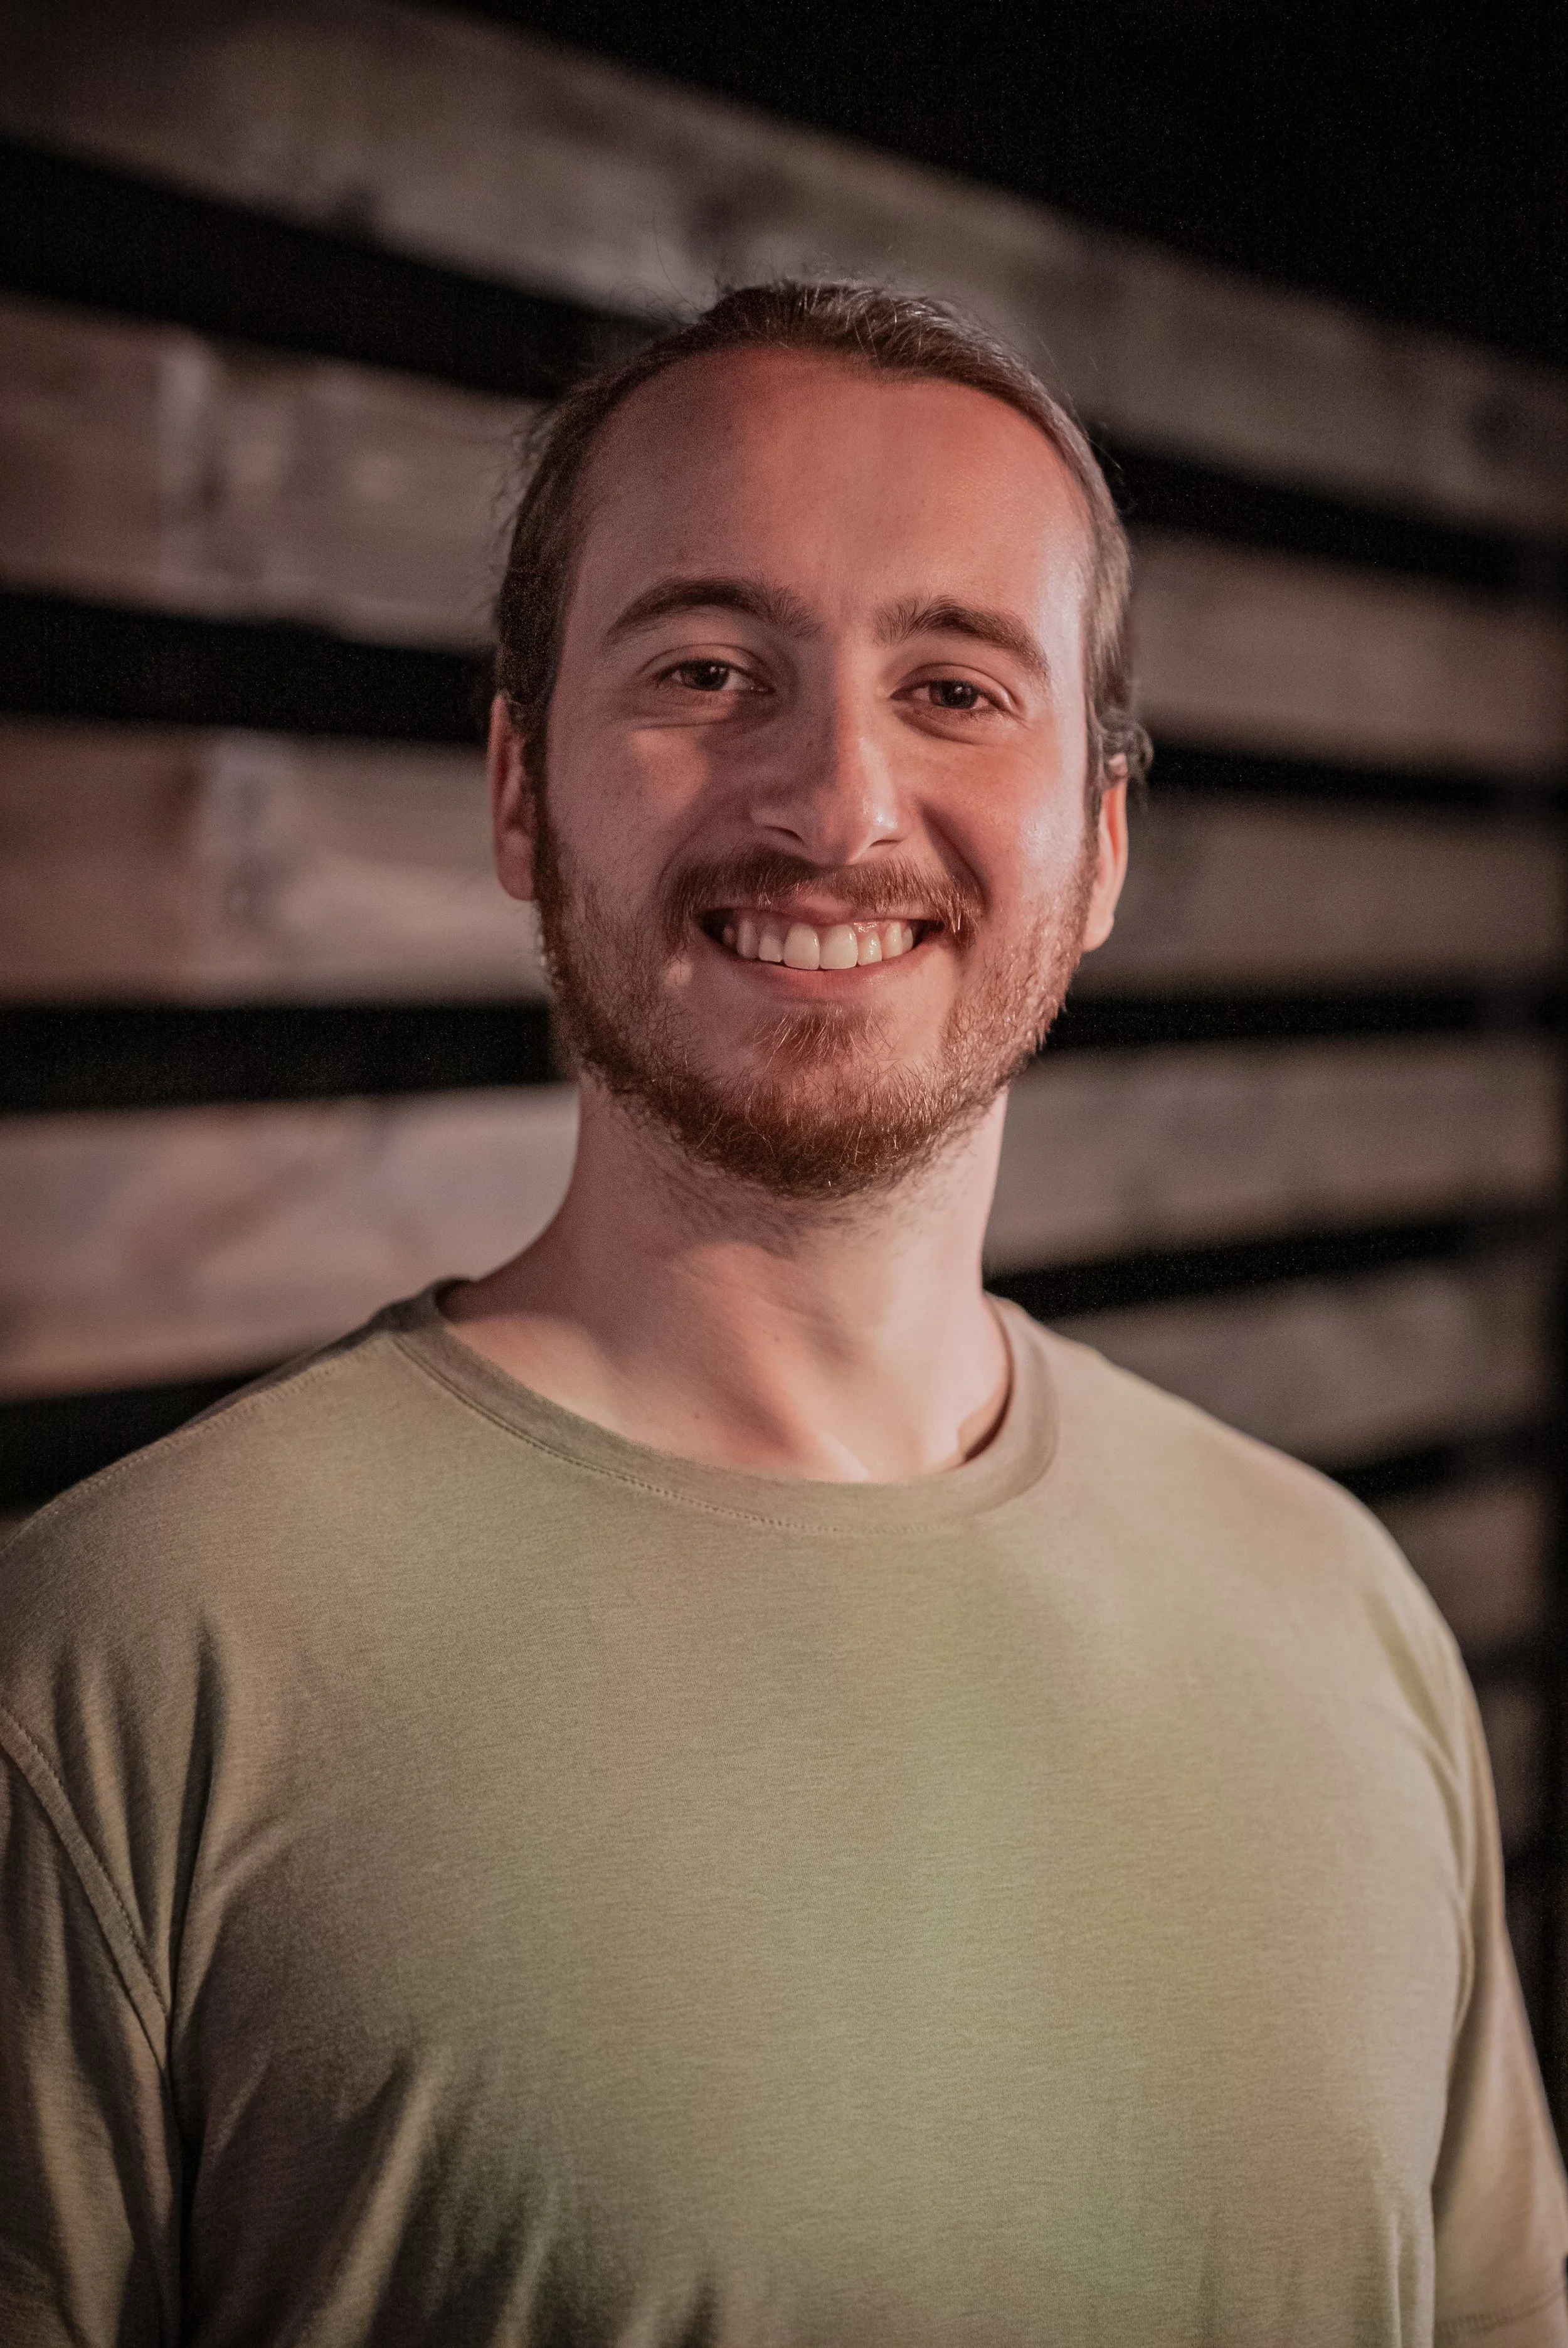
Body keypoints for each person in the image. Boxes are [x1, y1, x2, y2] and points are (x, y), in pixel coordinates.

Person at [1, 280, 1563, 2347]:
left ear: (1097, 840)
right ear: (517, 791)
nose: (833, 803)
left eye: (958, 689)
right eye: (709, 668)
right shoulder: (119, 1667)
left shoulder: (1342, 1612)